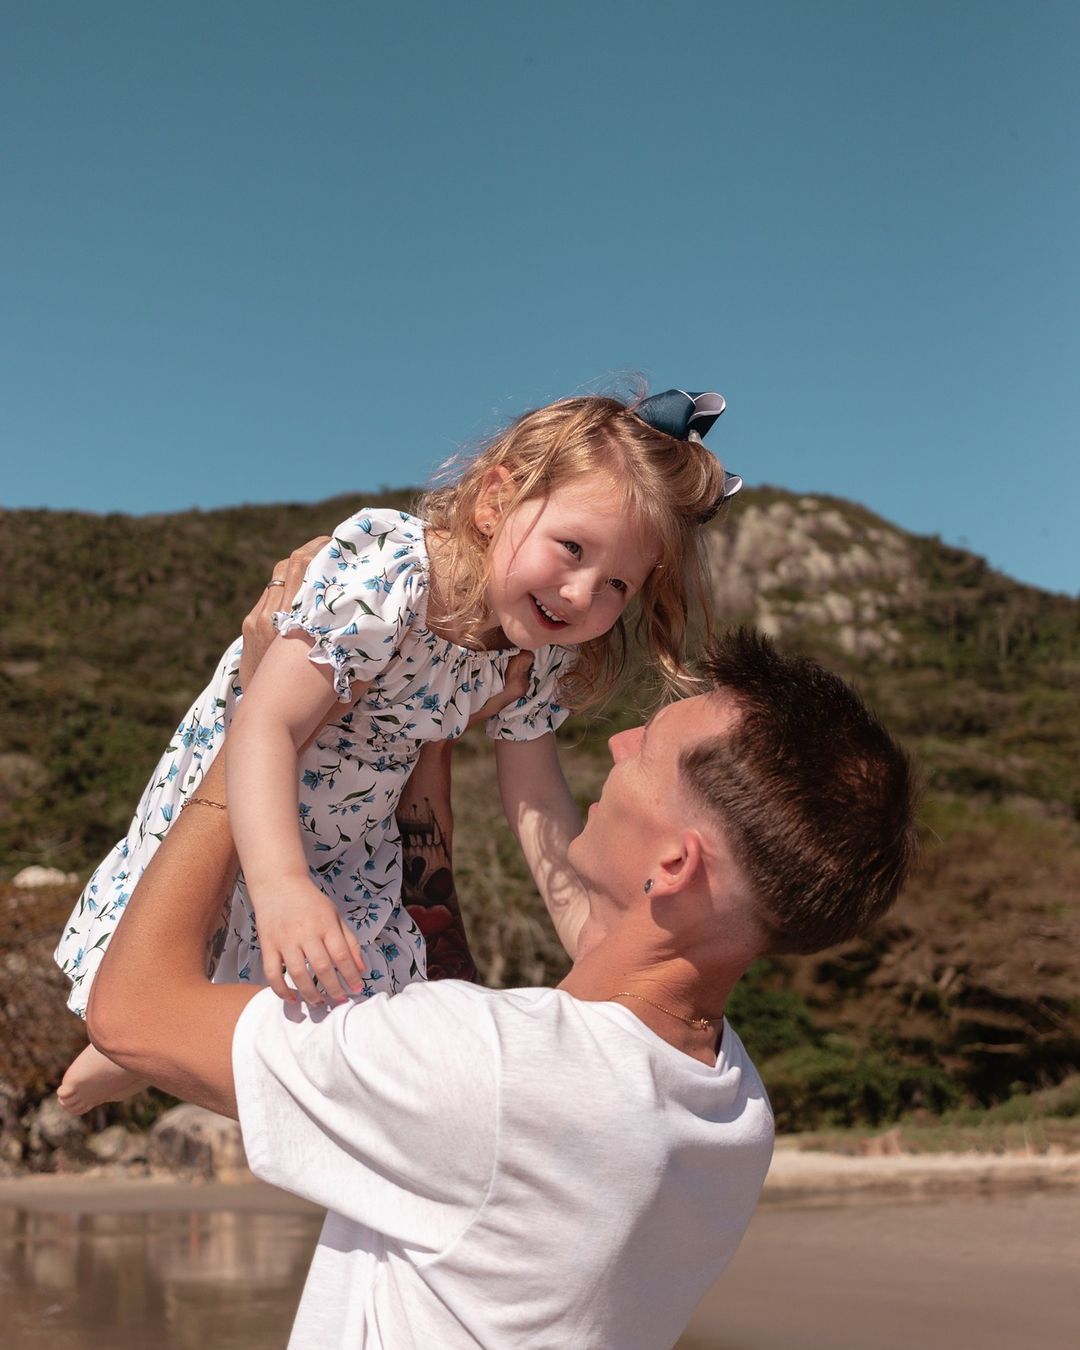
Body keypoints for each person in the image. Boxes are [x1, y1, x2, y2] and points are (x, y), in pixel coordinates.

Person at [85, 587, 917, 1349]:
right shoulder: (732, 1111)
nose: (622, 742)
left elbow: (133, 1013)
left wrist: (258, 717)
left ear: (672, 867)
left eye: (647, 754)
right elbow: (470, 1005)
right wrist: (430, 724)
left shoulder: (495, 1078)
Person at [55, 388, 742, 1113]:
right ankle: (130, 1045)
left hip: (355, 833)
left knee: (360, 1006)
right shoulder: (393, 572)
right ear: (495, 499)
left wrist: (601, 950)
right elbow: (268, 725)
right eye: (571, 548)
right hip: (255, 788)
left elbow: (538, 804)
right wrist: (284, 882)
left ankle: (158, 1053)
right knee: (201, 927)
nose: (579, 593)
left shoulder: (535, 657)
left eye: (616, 584)